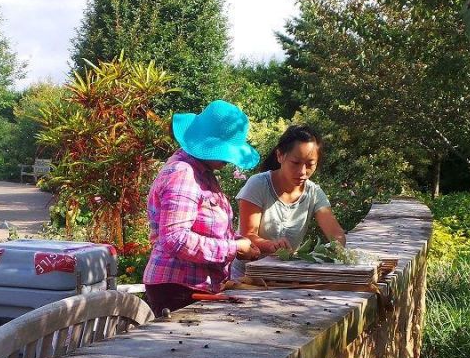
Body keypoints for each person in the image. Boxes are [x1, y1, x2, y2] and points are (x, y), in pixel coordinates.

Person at [142, 100, 262, 316]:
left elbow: (203, 228)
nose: (229, 160)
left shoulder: (203, 173)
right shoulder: (183, 174)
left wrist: (239, 244)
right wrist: (233, 249)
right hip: (177, 288)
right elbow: (175, 238)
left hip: (195, 286)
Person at [231, 125, 346, 281]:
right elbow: (247, 236)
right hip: (245, 277)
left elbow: (336, 235)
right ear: (280, 156)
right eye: (295, 163)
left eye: (310, 164)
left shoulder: (313, 193)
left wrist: (331, 250)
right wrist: (271, 245)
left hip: (284, 278)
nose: (302, 172)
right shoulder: (258, 185)